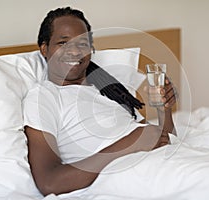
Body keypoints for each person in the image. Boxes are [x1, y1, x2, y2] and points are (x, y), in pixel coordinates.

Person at [23, 7, 177, 196]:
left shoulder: (111, 91)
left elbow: (164, 141)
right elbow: (49, 182)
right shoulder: (43, 97)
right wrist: (129, 145)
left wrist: (164, 110)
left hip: (166, 162)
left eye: (82, 44)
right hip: (136, 175)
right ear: (45, 48)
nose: (74, 51)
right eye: (63, 43)